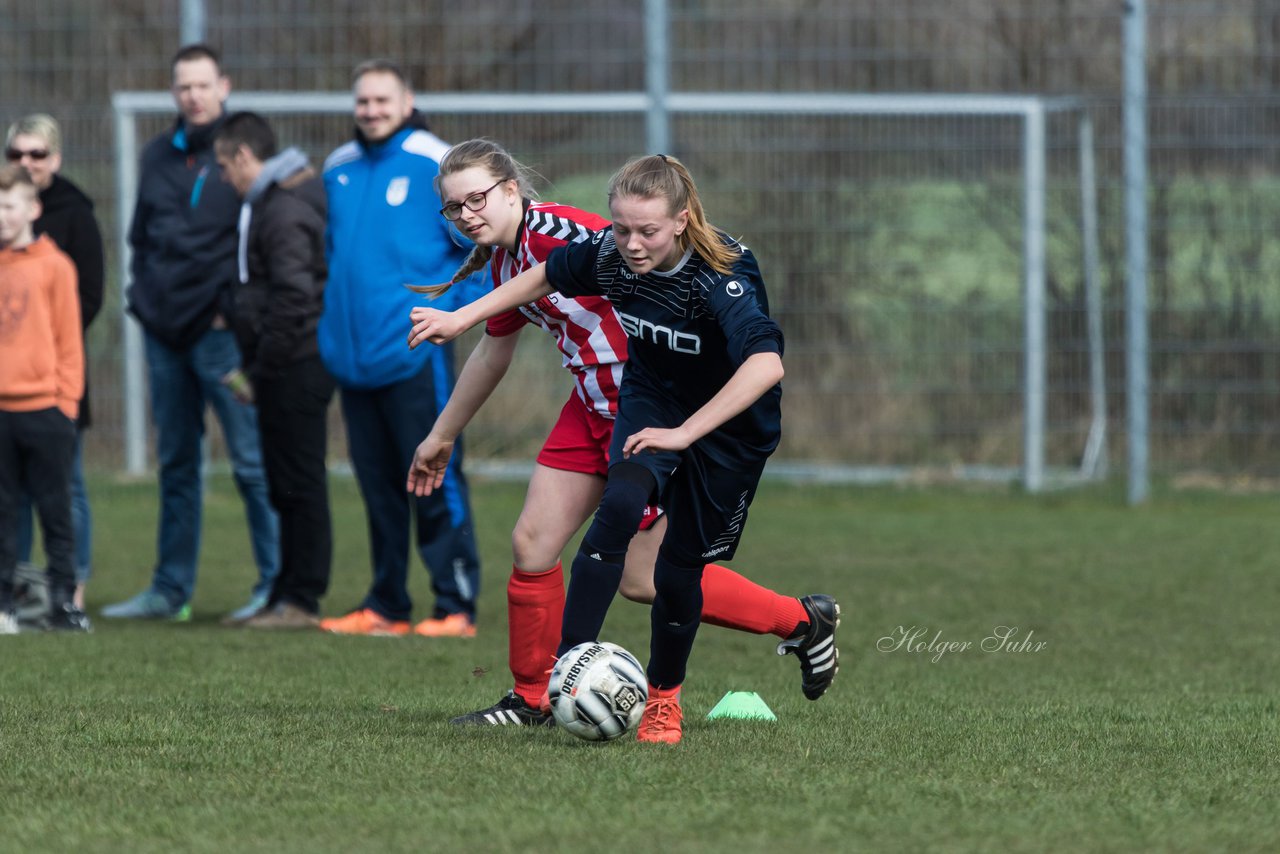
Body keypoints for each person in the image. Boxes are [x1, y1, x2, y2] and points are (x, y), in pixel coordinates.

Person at [406, 139, 839, 728]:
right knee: (533, 544)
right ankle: (533, 697)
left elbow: (649, 269)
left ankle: (799, 621)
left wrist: (683, 424)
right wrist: (443, 434)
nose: (467, 215)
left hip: (648, 412)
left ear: (511, 189)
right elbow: (492, 353)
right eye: (454, 208)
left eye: (476, 199)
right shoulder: (509, 260)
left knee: (645, 577)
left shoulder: (579, 234)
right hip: (596, 405)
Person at [103, 44, 280, 623]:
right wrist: (142, 303)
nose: (193, 96)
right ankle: (168, 592)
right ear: (173, 92)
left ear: (223, 87)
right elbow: (140, 240)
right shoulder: (156, 155)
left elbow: (262, 243)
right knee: (177, 463)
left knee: (252, 464)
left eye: (202, 85)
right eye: (183, 86)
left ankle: (276, 589)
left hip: (223, 337)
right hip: (163, 336)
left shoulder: (245, 154)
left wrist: (234, 313)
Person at [317, 59, 483, 637]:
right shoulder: (337, 168)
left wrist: (457, 315)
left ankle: (454, 603)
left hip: (416, 353)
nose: (371, 111)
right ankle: (386, 603)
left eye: (382, 100)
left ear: (407, 99)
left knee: (434, 472)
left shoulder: (438, 161)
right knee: (378, 483)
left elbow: (482, 250)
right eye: (363, 101)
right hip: (353, 360)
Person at [213, 111, 335, 630]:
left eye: (225, 164)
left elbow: (294, 297)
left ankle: (302, 600)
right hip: (278, 364)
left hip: (297, 364)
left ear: (244, 156)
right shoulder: (268, 201)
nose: (224, 176)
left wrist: (261, 367)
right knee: (283, 480)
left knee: (299, 480)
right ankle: (284, 591)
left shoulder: (282, 209)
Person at [5, 114, 105, 612]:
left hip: (53, 381)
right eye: (17, 154)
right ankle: (17, 584)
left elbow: (88, 299)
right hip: (8, 388)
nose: (27, 162)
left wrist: (40, 346)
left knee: (67, 487)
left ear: (56, 159)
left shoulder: (75, 215)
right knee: (10, 493)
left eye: (37, 154)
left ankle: (72, 588)